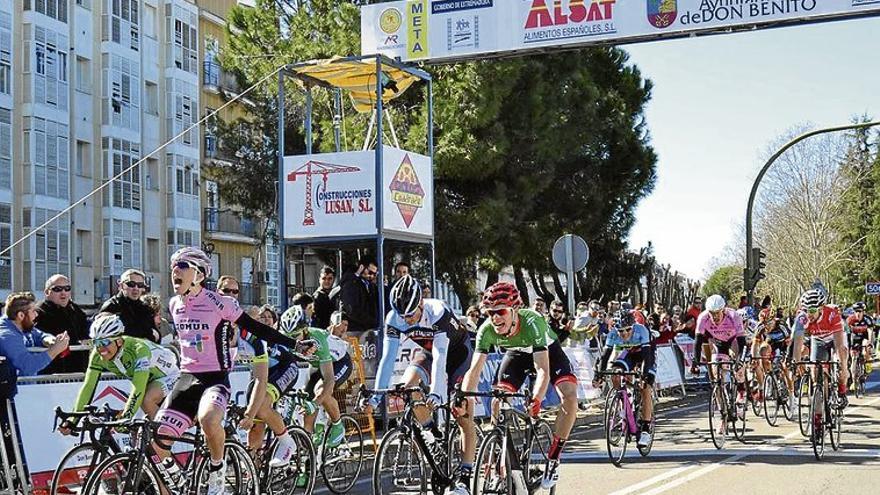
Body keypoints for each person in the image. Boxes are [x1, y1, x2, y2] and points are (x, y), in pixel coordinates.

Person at [154, 247, 302, 495]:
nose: (174, 272)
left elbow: (257, 327)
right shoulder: (173, 305)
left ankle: (217, 471)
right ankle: (177, 480)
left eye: (182, 267)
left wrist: (295, 344)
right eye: (173, 267)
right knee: (156, 442)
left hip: (215, 379)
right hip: (186, 378)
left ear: (199, 275)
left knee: (208, 420)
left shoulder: (220, 303)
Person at [460, 282, 578, 491]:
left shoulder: (533, 321)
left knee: (569, 396)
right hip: (516, 355)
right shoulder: (486, 330)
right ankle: (498, 463)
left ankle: (553, 459)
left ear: (514, 310)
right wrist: (464, 397)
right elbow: (475, 370)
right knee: (498, 399)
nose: (495, 318)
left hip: (547, 353)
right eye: (490, 313)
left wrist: (537, 399)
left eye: (501, 312)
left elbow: (543, 369)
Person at [368, 275, 474, 494]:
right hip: (428, 353)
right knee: (408, 386)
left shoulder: (437, 312)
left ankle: (465, 476)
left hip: (458, 354)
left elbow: (440, 353)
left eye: (410, 315)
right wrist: (377, 396)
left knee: (462, 413)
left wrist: (436, 392)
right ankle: (432, 434)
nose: (405, 320)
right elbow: (387, 359)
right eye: (401, 316)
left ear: (421, 304)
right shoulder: (394, 319)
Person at [60, 314, 180, 432]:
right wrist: (72, 420)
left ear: (119, 341)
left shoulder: (139, 350)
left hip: (168, 374)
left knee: (146, 400)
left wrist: (125, 418)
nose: (100, 349)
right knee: (136, 432)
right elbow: (88, 387)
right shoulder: (97, 355)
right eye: (96, 343)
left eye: (105, 342)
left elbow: (138, 389)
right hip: (147, 379)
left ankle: (165, 439)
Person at [281, 306, 352, 446]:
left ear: (305, 330)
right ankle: (310, 444)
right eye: (288, 337)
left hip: (339, 362)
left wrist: (315, 404)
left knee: (321, 390)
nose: (292, 341)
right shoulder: (287, 339)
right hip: (316, 365)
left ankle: (338, 425)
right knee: (306, 399)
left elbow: (329, 379)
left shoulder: (317, 339)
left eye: (295, 336)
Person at [593, 311, 656, 447]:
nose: (625, 334)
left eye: (628, 330)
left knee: (645, 387)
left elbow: (646, 357)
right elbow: (605, 357)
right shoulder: (613, 334)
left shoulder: (642, 330)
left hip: (646, 354)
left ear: (633, 326)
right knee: (616, 372)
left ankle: (645, 429)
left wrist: (644, 376)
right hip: (629, 353)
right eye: (621, 331)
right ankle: (623, 403)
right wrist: (599, 376)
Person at [690, 295, 748, 432]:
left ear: (723, 310)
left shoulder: (733, 316)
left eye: (717, 313)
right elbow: (697, 341)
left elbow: (742, 343)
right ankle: (723, 416)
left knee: (739, 366)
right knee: (716, 377)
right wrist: (695, 362)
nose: (715, 317)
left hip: (733, 340)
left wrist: (740, 359)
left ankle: (741, 392)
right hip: (718, 343)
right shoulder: (703, 317)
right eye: (712, 313)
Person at [799, 289, 849, 409]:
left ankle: (842, 391)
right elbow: (797, 341)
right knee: (815, 371)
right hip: (818, 339)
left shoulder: (832, 315)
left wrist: (843, 367)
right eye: (805, 310)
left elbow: (839, 346)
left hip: (835, 338)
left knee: (841, 364)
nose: (808, 314)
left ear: (821, 308)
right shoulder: (802, 317)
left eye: (811, 310)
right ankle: (823, 404)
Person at [0, 292, 70, 377]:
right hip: (15, 389)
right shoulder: (8, 336)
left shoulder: (18, 324)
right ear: (21, 315)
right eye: (33, 311)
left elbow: (39, 335)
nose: (36, 315)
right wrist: (55, 350)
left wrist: (50, 340)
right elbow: (28, 366)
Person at [34, 274, 90, 374]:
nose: (63, 292)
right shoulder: (39, 312)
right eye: (57, 289)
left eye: (67, 288)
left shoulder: (75, 310)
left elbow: (85, 332)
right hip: (51, 371)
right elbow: (35, 337)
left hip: (78, 368)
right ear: (47, 292)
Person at [100, 268, 159, 342]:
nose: (136, 288)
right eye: (131, 284)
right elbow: (108, 334)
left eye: (140, 285)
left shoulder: (145, 308)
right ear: (121, 286)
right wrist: (146, 332)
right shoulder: (111, 305)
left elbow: (156, 336)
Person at [339, 257, 379, 334]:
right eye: (370, 272)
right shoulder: (351, 283)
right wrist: (371, 321)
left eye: (375, 274)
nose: (372, 276)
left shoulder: (368, 284)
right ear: (361, 267)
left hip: (366, 328)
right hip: (355, 328)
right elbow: (352, 309)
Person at [847, 302, 874, 388]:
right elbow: (846, 332)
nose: (858, 313)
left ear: (863, 312)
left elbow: (870, 331)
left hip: (864, 337)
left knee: (865, 347)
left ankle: (867, 362)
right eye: (856, 311)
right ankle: (854, 382)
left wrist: (870, 343)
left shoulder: (867, 319)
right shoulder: (850, 319)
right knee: (853, 357)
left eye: (860, 311)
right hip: (854, 339)